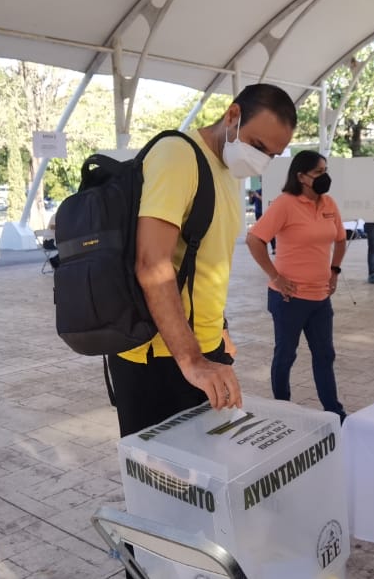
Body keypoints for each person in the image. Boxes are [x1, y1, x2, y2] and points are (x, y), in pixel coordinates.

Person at [108, 83, 296, 437]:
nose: (261, 159)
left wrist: (218, 328)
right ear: (233, 115)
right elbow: (153, 263)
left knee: (204, 478)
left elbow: (203, 263)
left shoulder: (226, 172)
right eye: (258, 145)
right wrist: (191, 359)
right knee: (165, 482)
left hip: (203, 349)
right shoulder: (177, 156)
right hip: (160, 357)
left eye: (271, 154)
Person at [246, 150, 347, 420]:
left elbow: (340, 238)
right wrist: (275, 276)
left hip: (320, 298)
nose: (325, 177)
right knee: (286, 356)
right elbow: (255, 239)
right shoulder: (285, 204)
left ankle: (334, 413)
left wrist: (334, 270)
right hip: (288, 299)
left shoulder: (329, 204)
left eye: (325, 170)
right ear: (301, 176)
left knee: (325, 355)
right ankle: (283, 411)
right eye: (318, 172)